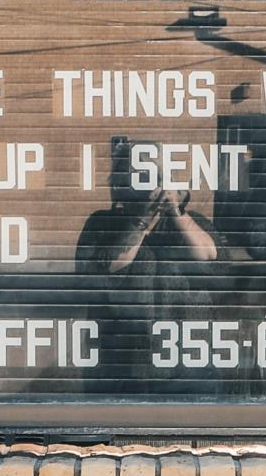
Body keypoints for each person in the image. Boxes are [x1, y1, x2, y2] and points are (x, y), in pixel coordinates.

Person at [74, 138, 224, 393]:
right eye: (140, 176)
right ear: (121, 183)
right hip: (122, 372)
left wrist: (175, 212)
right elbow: (107, 267)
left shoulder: (190, 223)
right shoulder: (102, 225)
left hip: (189, 369)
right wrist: (143, 219)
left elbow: (209, 254)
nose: (148, 184)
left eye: (156, 175)